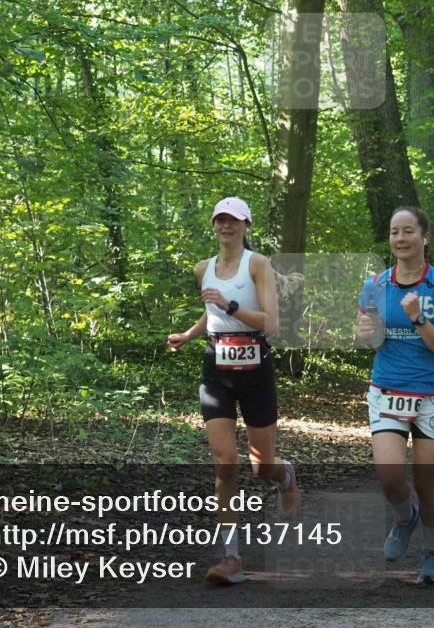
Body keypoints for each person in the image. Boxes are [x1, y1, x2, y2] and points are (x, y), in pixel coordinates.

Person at [167, 197, 301, 585]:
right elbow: (212, 312)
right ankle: (231, 556)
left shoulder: (258, 264)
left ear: (246, 225)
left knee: (262, 467)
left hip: (256, 368)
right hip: (216, 371)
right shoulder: (202, 268)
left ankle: (285, 476)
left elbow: (270, 322)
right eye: (220, 220)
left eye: (234, 221)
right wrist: (189, 335)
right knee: (224, 462)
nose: (227, 226)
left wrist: (231, 303)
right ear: (213, 225)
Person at [355, 207, 434, 585]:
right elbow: (365, 338)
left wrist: (419, 318)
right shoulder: (376, 285)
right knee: (389, 476)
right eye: (394, 232)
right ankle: (404, 518)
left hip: (433, 393)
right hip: (387, 388)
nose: (400, 239)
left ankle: (432, 551)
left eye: (408, 231)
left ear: (424, 237)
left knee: (426, 482)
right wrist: (366, 331)